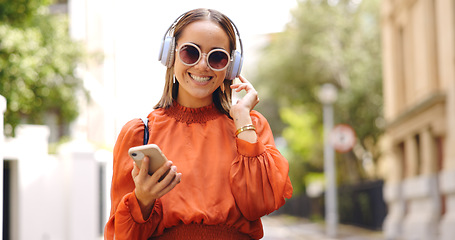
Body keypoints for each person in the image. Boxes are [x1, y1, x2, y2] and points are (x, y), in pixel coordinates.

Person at [104, 8, 293, 240]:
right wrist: (143, 199)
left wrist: (242, 118)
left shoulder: (250, 126)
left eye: (217, 57)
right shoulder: (139, 133)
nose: (203, 66)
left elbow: (259, 203)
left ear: (231, 67)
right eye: (190, 53)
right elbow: (121, 236)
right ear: (170, 55)